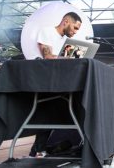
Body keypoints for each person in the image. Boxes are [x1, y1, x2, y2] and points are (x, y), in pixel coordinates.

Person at [29, 12, 82, 157]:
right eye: (75, 28)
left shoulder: (66, 41)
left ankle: (39, 149)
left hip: (59, 80)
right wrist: (69, 59)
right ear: (65, 22)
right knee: (47, 111)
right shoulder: (47, 31)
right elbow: (47, 56)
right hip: (43, 79)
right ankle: (38, 149)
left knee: (56, 110)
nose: (75, 32)